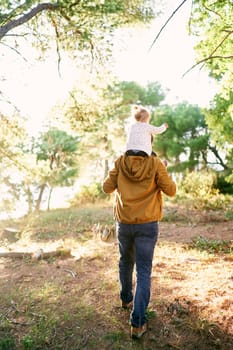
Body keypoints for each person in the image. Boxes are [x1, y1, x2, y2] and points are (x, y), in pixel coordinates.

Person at [102, 150, 176, 339]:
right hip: (147, 224)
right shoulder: (155, 163)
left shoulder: (120, 162)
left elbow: (106, 188)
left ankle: (126, 300)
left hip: (125, 223)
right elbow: (171, 190)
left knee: (125, 262)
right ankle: (138, 323)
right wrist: (163, 171)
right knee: (143, 271)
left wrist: (116, 172)